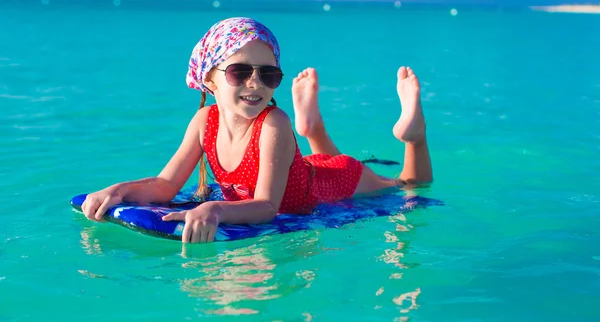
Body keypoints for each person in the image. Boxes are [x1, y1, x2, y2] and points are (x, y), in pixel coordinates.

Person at [81, 17, 433, 243]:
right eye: (239, 71)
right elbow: (166, 185)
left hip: (331, 183)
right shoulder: (204, 122)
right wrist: (120, 190)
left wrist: (216, 209)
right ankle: (311, 126)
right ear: (209, 79)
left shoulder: (273, 124)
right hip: (307, 170)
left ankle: (414, 135)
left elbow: (266, 206)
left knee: (408, 185)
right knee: (321, 159)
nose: (255, 83)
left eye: (269, 74)